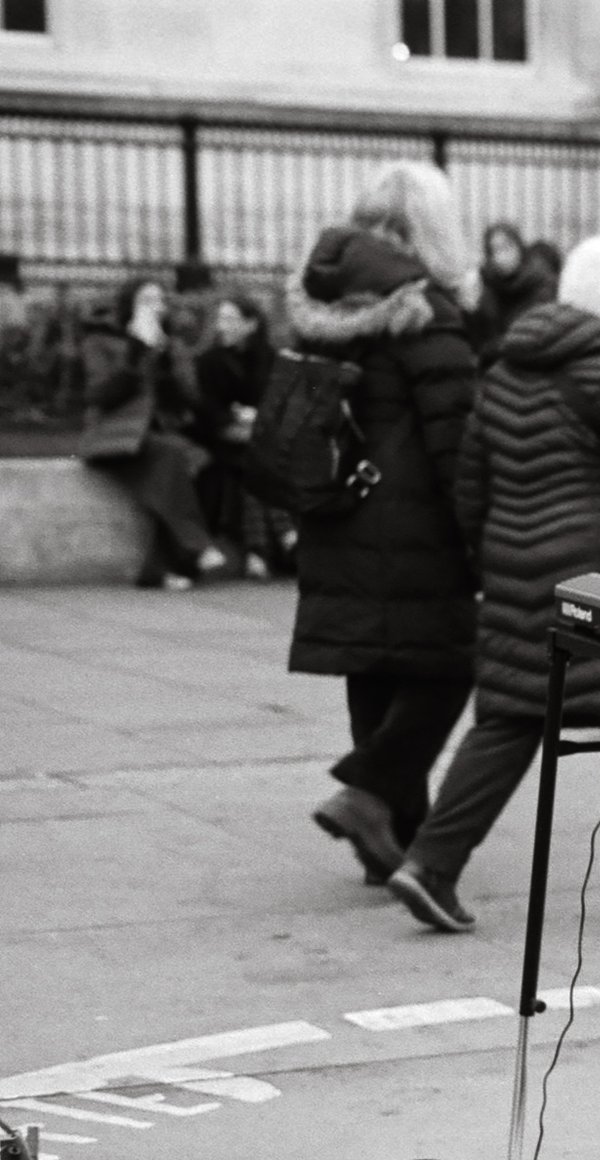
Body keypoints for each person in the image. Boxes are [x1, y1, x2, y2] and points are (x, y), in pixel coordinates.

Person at [388, 237, 600, 933]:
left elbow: (471, 488)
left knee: (506, 721)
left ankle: (430, 863)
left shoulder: (504, 374)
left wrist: (494, 562)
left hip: (515, 576)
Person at [286, 161, 480, 887]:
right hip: (413, 527)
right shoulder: (423, 311)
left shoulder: (324, 303)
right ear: (434, 229)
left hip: (336, 515)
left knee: (375, 666)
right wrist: (480, 539)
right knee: (449, 664)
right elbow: (455, 445)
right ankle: (367, 795)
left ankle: (391, 837)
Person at [77, 275, 230, 590]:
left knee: (203, 466)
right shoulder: (100, 341)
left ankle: (157, 569)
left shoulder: (170, 345)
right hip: (114, 437)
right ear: (129, 305)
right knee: (174, 458)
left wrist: (164, 360)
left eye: (159, 300)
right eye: (145, 300)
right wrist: (135, 349)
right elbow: (100, 396)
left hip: (157, 438)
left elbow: (189, 398)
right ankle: (197, 546)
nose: (154, 307)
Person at [189, 293, 288, 579]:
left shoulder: (269, 359)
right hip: (221, 438)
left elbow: (278, 402)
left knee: (256, 467)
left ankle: (258, 554)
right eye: (221, 319)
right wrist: (237, 417)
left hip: (257, 440)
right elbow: (207, 409)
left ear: (251, 324)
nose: (223, 326)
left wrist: (253, 416)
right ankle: (286, 535)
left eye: (231, 319)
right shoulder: (209, 360)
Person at [470, 221, 559, 368]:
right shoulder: (485, 284)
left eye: (507, 247)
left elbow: (533, 335)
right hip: (492, 370)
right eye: (493, 251)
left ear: (519, 247)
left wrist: (488, 349)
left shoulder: (541, 283)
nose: (500, 257)